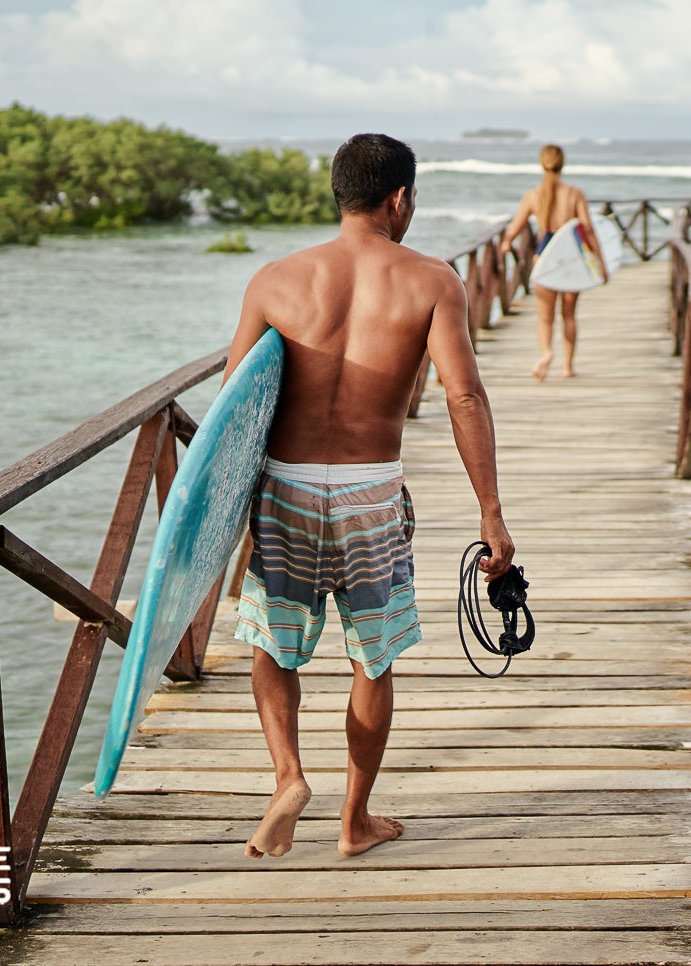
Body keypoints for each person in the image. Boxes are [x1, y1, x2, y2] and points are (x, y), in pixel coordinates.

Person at [222, 132, 515, 861]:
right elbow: (466, 397)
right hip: (371, 493)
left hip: (286, 488)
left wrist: (226, 521)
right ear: (400, 198)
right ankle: (355, 820)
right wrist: (491, 513)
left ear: (340, 193)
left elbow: (234, 406)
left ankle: (288, 777)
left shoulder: (274, 280)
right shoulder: (432, 280)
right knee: (372, 659)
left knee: (273, 647)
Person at [498, 144, 609, 380]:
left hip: (545, 257)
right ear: (562, 163)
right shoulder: (574, 194)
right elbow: (587, 229)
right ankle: (568, 367)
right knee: (569, 314)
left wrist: (507, 242)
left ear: (542, 163)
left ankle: (547, 353)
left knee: (544, 316)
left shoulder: (533, 195)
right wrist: (601, 262)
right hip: (573, 259)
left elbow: (515, 227)